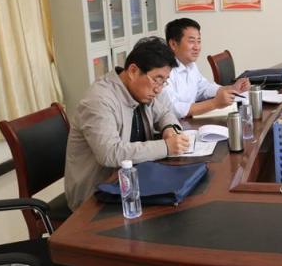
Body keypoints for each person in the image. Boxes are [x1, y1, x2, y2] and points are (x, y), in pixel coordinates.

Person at [65, 37, 190, 210]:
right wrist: (166, 147)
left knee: (185, 197)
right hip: (97, 197)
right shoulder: (99, 100)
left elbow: (164, 112)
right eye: (157, 79)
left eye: (164, 81)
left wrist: (169, 128)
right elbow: (109, 153)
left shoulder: (141, 89)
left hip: (134, 181)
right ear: (133, 71)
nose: (159, 89)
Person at [163, 18, 250, 118]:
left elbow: (203, 88)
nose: (197, 47)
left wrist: (232, 88)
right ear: (173, 44)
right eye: (191, 41)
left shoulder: (190, 65)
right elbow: (173, 109)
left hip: (188, 121)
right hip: (174, 125)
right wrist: (214, 103)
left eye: (198, 41)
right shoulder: (163, 70)